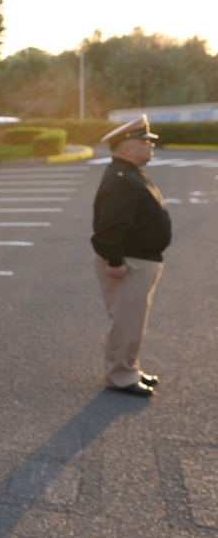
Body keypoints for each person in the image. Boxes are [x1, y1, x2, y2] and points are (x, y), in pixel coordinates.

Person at [91, 114, 171, 397]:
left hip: (141, 260)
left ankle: (129, 368)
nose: (150, 147)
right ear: (127, 149)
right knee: (126, 321)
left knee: (133, 320)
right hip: (128, 263)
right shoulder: (123, 178)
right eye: (144, 142)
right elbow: (108, 228)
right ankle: (120, 376)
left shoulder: (130, 172)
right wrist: (114, 261)